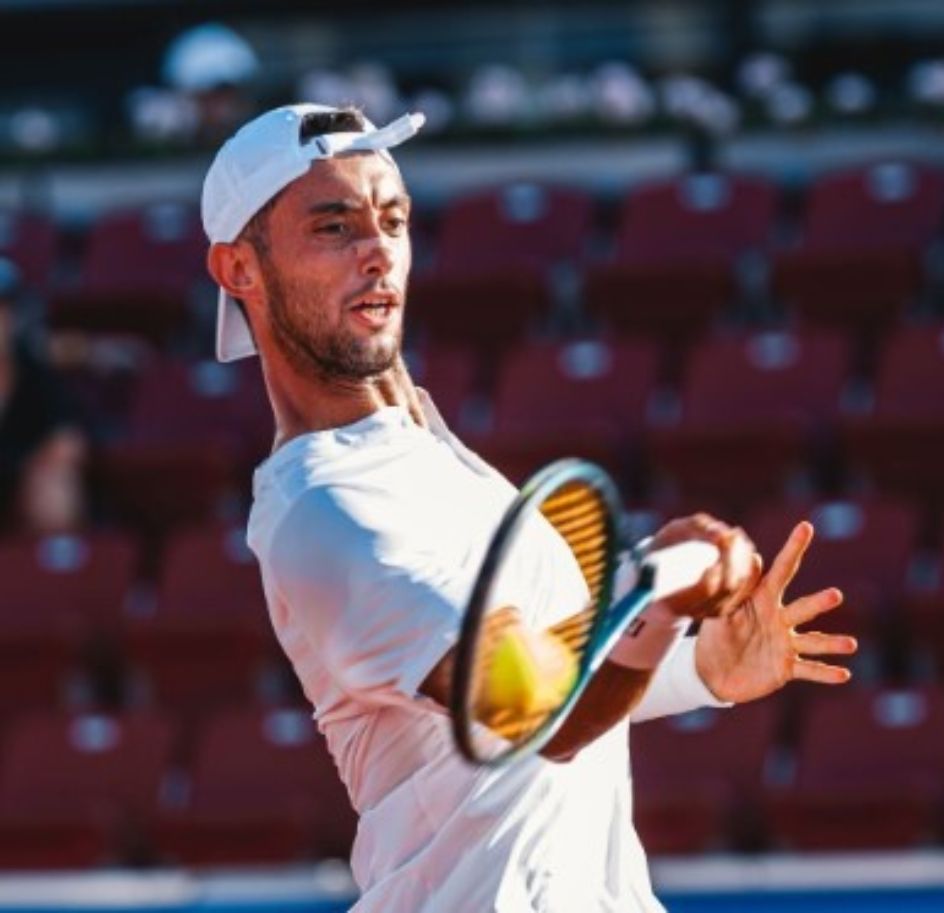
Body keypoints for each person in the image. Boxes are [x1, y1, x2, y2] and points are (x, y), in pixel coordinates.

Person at [202, 103, 856, 912]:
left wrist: (698, 669)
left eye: (393, 220)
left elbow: (534, 704)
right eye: (333, 227)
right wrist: (653, 596)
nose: (378, 251)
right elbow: (535, 712)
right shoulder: (325, 513)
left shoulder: (422, 448)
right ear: (239, 269)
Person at [0, 259, 89, 534]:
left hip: (18, 479)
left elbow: (68, 442)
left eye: (2, 310)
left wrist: (29, 469)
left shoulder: (35, 373)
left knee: (54, 489)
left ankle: (53, 558)